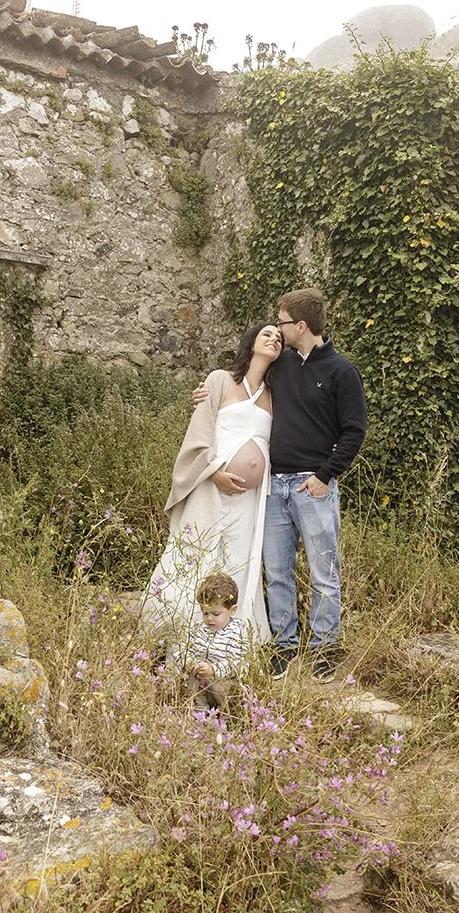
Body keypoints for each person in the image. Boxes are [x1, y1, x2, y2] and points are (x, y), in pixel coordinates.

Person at [194, 289, 367, 682]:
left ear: (300, 326)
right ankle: (285, 646)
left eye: (283, 321)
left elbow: (354, 431)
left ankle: (325, 649)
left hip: (313, 487)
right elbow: (242, 385)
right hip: (274, 487)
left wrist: (324, 476)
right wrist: (206, 393)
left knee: (324, 571)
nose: (279, 328)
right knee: (277, 570)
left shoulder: (342, 371)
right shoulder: (282, 366)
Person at [141, 322, 284, 644]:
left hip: (250, 498)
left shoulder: (276, 396)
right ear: (251, 342)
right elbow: (200, 430)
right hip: (212, 487)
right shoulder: (220, 380)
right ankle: (173, 633)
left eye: (279, 338)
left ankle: (230, 641)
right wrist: (215, 469)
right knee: (195, 553)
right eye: (267, 334)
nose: (274, 339)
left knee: (238, 560)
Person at [174, 572, 255, 712]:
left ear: (232, 611)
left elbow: (239, 660)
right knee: (189, 679)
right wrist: (188, 661)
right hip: (202, 680)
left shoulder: (238, 632)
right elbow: (185, 648)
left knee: (222, 686)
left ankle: (227, 715)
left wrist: (214, 670)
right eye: (205, 613)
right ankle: (198, 711)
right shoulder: (199, 629)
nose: (209, 619)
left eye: (215, 614)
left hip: (224, 680)